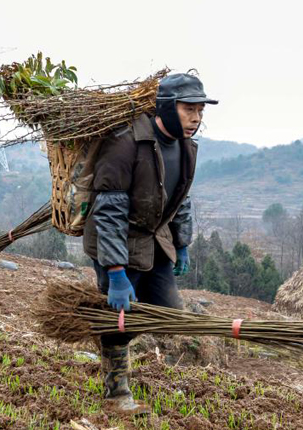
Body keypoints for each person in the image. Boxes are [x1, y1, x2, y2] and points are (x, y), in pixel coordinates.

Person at [82, 73, 218, 414]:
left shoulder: (186, 148)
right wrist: (114, 272)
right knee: (119, 318)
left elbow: (181, 199)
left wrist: (182, 243)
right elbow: (109, 212)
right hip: (118, 242)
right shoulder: (126, 144)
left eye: (200, 111)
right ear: (168, 107)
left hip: (156, 241)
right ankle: (116, 392)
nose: (196, 118)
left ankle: (113, 343)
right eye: (189, 109)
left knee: (168, 311)